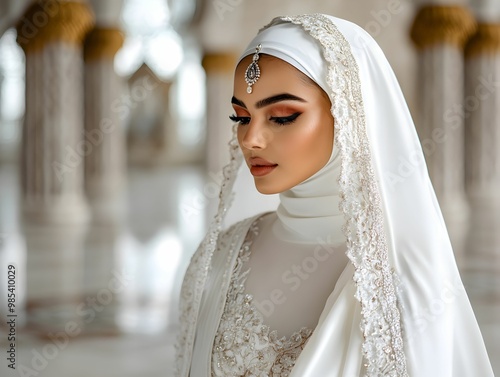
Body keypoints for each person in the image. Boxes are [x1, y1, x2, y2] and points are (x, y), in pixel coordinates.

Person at [174, 14, 494, 377]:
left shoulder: (407, 276)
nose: (251, 140)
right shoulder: (220, 255)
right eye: (241, 118)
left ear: (349, 116)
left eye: (281, 116)